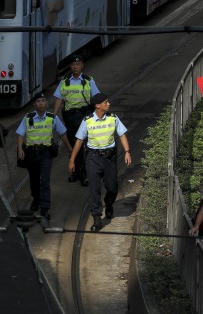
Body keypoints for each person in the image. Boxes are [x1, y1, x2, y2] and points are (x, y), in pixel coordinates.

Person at [68, 92, 131, 232]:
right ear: (97, 105)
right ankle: (97, 217)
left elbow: (122, 134)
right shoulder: (87, 121)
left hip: (109, 158)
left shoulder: (113, 118)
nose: (108, 104)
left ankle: (109, 203)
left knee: (112, 187)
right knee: (94, 189)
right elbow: (79, 141)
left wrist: (127, 152)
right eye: (105, 102)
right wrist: (72, 160)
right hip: (93, 158)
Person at [15, 93, 73, 224]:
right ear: (35, 104)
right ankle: (36, 199)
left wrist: (70, 149)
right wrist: (20, 149)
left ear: (47, 103)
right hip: (31, 153)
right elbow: (20, 135)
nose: (41, 103)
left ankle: (45, 207)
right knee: (34, 180)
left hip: (46, 154)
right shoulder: (28, 117)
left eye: (43, 101)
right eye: (38, 101)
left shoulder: (52, 118)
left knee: (45, 180)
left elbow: (63, 134)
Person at [53, 53, 100, 184]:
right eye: (73, 64)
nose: (75, 67)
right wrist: (54, 116)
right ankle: (76, 172)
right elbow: (58, 99)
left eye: (78, 64)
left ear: (82, 65)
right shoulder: (64, 81)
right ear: (70, 66)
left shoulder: (88, 80)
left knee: (83, 145)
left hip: (84, 116)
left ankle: (84, 174)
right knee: (74, 145)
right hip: (70, 118)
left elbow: (97, 99)